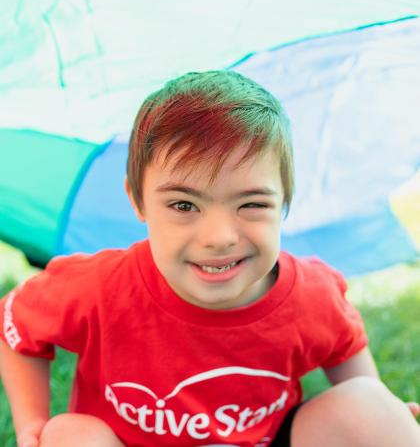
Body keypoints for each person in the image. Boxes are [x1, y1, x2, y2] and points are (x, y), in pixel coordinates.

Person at [0, 70, 419, 447]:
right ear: (139, 200)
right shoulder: (100, 286)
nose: (219, 238)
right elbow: (16, 327)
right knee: (69, 436)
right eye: (184, 206)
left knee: (368, 405)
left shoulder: (311, 296)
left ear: (285, 203)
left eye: (251, 204)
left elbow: (363, 392)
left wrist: (385, 419)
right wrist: (33, 423)